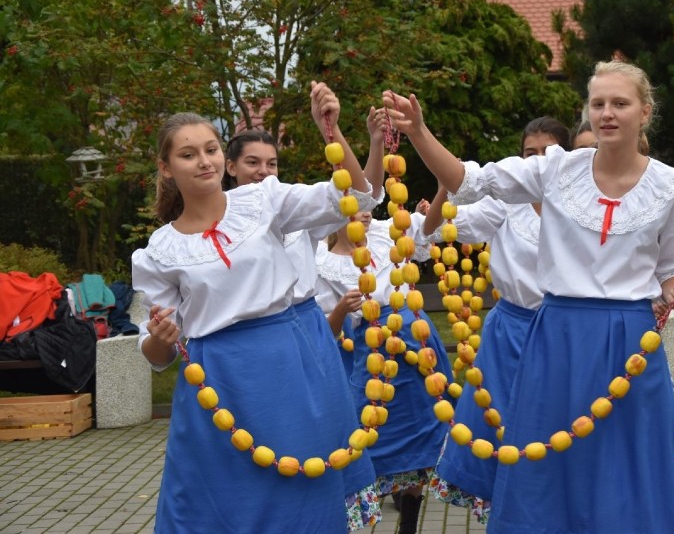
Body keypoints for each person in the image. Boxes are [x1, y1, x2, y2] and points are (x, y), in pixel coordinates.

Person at [383, 59, 674, 533]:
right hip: (557, 336)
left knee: (625, 467)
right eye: (598, 104)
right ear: (587, 112)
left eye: (620, 103)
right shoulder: (557, 169)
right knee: (544, 473)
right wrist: (419, 133)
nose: (608, 113)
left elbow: (669, 271)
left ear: (645, 112)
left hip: (629, 342)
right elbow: (468, 180)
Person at [132, 95, 380, 533]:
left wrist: (333, 133)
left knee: (299, 493)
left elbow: (356, 194)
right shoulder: (158, 251)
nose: (204, 161)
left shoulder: (262, 200)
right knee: (222, 498)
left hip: (289, 366)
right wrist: (161, 335)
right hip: (218, 380)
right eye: (188, 154)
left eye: (210, 150)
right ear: (167, 167)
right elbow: (156, 356)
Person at [219, 83, 384, 531]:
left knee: (322, 437)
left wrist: (331, 131)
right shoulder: (215, 217)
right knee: (267, 443)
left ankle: (324, 519)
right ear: (229, 166)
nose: (263, 172)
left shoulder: (289, 207)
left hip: (307, 331)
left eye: (271, 163)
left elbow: (362, 194)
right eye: (252, 163)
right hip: (252, 342)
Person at [421, 117, 572, 523]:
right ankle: (509, 519)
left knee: (556, 434)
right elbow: (431, 234)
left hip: (563, 334)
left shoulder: (581, 202)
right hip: (510, 334)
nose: (538, 161)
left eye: (548, 152)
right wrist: (442, 188)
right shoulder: (506, 203)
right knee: (504, 433)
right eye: (529, 154)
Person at [314, 107, 455, 534]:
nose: (358, 212)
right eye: (350, 206)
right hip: (365, 360)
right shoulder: (323, 263)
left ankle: (410, 519)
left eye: (362, 207)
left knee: (422, 434)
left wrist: (446, 187)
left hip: (414, 349)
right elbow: (326, 328)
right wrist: (342, 310)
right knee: (368, 438)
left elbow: (426, 234)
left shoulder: (387, 233)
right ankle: (365, 509)